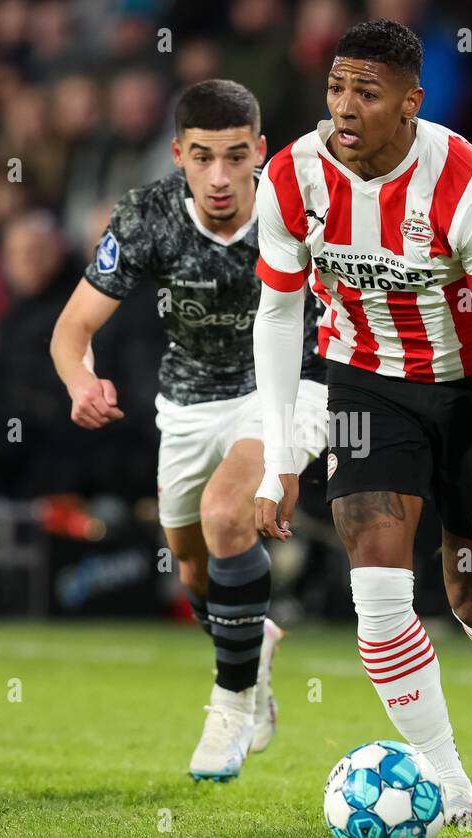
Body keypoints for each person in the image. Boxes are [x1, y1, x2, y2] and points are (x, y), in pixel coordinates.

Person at [252, 19, 472, 827]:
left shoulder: (467, 182)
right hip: (366, 386)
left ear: (412, 103)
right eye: (337, 88)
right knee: (377, 586)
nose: (344, 107)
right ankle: (448, 782)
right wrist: (282, 453)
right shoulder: (292, 178)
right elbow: (278, 317)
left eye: (367, 93)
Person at [50, 79, 327, 782]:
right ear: (178, 154)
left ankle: (230, 708)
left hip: (287, 388)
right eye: (203, 158)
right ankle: (250, 646)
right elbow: (72, 329)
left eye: (237, 157)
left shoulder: (298, 208)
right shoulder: (146, 217)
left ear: (261, 150)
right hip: (188, 404)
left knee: (225, 515)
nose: (221, 177)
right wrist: (82, 382)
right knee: (193, 568)